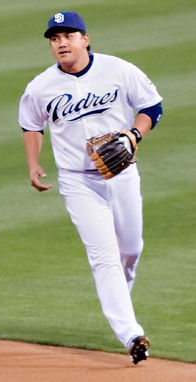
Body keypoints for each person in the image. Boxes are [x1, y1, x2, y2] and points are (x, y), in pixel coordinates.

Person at [18, 11, 163, 364]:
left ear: (85, 38)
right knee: (104, 257)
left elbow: (152, 107)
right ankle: (131, 334)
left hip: (123, 173)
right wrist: (34, 164)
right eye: (55, 38)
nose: (61, 43)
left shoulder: (118, 69)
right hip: (77, 180)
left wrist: (133, 133)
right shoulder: (40, 87)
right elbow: (31, 125)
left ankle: (120, 300)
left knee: (130, 249)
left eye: (68, 35)